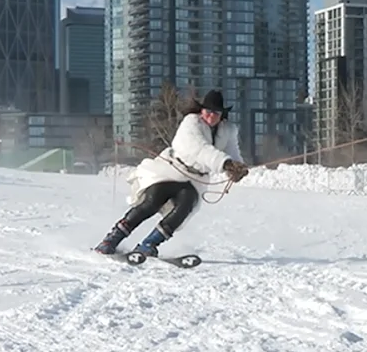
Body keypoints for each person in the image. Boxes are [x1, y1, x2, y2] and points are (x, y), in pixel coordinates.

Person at [94, 89, 251, 256]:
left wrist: (237, 167)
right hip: (170, 171)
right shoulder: (190, 123)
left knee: (185, 207)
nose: (211, 116)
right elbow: (200, 150)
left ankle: (149, 244)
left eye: (216, 113)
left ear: (222, 115)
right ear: (201, 110)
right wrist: (226, 163)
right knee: (151, 201)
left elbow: (233, 151)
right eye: (208, 111)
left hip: (194, 180)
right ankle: (111, 239)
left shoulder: (228, 130)